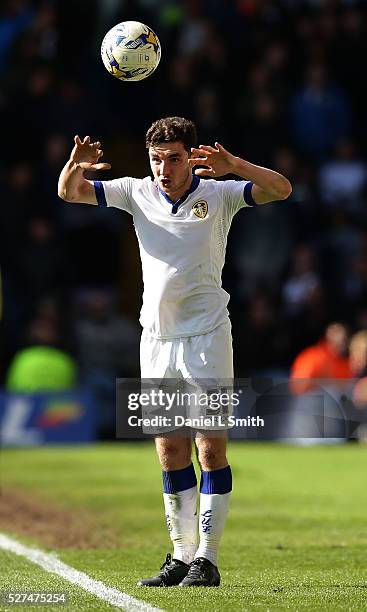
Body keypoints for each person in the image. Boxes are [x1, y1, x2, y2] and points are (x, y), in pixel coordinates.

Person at [58, 116, 292, 587]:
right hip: (157, 339)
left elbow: (281, 189)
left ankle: (208, 556)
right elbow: (69, 192)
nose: (164, 168)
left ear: (190, 156)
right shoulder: (136, 191)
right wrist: (74, 163)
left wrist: (234, 165)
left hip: (207, 337)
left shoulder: (218, 194)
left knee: (210, 447)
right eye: (157, 159)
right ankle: (181, 557)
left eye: (173, 158)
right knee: (169, 449)